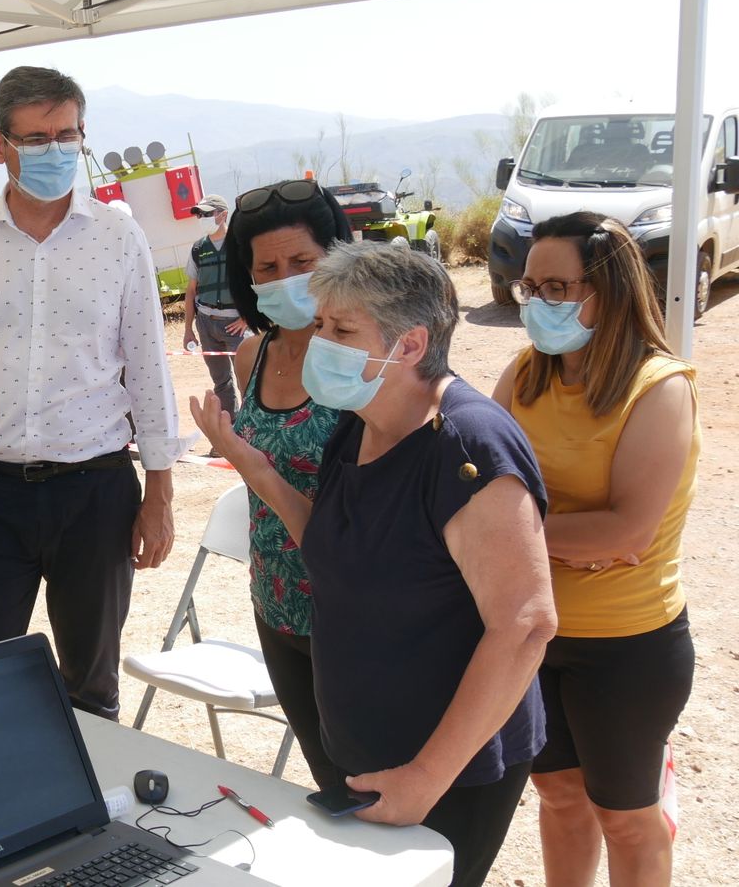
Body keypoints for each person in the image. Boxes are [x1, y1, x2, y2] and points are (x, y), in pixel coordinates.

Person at [195, 242, 557, 887]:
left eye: (340, 329)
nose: (318, 340)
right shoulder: (357, 424)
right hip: (360, 750)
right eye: (321, 323)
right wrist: (261, 474)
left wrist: (428, 776)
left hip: (447, 768)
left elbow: (526, 623)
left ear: (411, 344)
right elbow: (337, 547)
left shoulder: (469, 443)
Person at [0, 66, 183, 720]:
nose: (55, 151)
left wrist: (161, 495)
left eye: (67, 135)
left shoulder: (119, 240)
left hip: (97, 492)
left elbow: (148, 370)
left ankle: (89, 818)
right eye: (36, 139)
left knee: (91, 684)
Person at [492, 212, 696, 887]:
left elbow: (627, 532)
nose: (540, 304)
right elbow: (480, 497)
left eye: (558, 287)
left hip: (627, 646)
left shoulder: (658, 388)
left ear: (608, 289)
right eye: (531, 288)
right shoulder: (525, 377)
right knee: (558, 797)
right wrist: (567, 538)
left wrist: (523, 529)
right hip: (536, 633)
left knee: (628, 819)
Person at [205, 178, 354, 790]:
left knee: (369, 792)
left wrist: (251, 466)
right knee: (328, 784)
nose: (284, 277)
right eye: (267, 267)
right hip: (276, 604)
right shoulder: (252, 357)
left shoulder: (360, 355)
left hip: (353, 614)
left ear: (339, 258)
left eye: (303, 262)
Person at [180, 194, 243, 420]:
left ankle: (252, 432)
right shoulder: (198, 248)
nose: (201, 218)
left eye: (207, 214)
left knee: (247, 379)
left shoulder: (240, 245)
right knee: (221, 381)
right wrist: (189, 329)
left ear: (223, 215)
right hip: (206, 324)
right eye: (199, 214)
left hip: (237, 325)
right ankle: (230, 430)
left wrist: (246, 318)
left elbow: (257, 282)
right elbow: (191, 291)